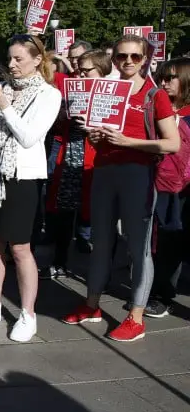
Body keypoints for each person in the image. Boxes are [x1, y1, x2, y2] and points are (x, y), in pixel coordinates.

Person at [64, 35, 181, 341]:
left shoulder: (154, 95)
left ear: (145, 60)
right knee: (101, 242)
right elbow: (97, 137)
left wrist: (131, 143)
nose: (128, 62)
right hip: (105, 171)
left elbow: (173, 142)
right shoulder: (106, 90)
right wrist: (94, 135)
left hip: (137, 174)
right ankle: (92, 305)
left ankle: (137, 316)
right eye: (121, 57)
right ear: (113, 59)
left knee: (138, 246)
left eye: (135, 57)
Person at [0, 35, 62, 343]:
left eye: (19, 59)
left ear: (37, 60)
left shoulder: (49, 94)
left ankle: (27, 313)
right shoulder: (3, 89)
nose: (12, 64)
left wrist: (5, 107)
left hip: (22, 177)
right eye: (10, 58)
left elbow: (30, 137)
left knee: (19, 247)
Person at [42, 49, 109, 278]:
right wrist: (61, 117)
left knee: (99, 217)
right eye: (79, 70)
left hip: (98, 163)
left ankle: (101, 270)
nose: (79, 75)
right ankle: (59, 261)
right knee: (64, 214)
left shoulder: (113, 95)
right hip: (70, 158)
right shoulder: (71, 90)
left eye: (85, 71)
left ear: (102, 70)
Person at [146, 57, 190, 317]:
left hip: (182, 189)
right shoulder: (154, 108)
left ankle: (164, 294)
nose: (163, 82)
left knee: (172, 240)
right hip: (154, 181)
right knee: (156, 242)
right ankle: (152, 291)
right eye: (161, 76)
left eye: (170, 77)